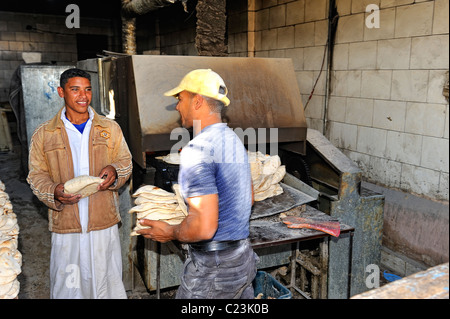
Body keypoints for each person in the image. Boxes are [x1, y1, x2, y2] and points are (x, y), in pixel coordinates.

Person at [138, 69, 258, 299]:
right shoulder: (233, 140)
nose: (176, 106)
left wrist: (171, 231)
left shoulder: (197, 150)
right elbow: (248, 197)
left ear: (198, 100)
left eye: (180, 99)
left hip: (214, 271)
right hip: (242, 259)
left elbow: (203, 228)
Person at [26, 68, 132, 299]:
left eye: (87, 90)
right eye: (75, 90)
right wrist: (53, 191)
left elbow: (125, 161)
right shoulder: (45, 134)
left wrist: (115, 170)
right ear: (61, 92)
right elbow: (36, 175)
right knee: (69, 285)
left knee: (107, 281)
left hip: (103, 220)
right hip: (67, 223)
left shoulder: (109, 128)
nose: (83, 96)